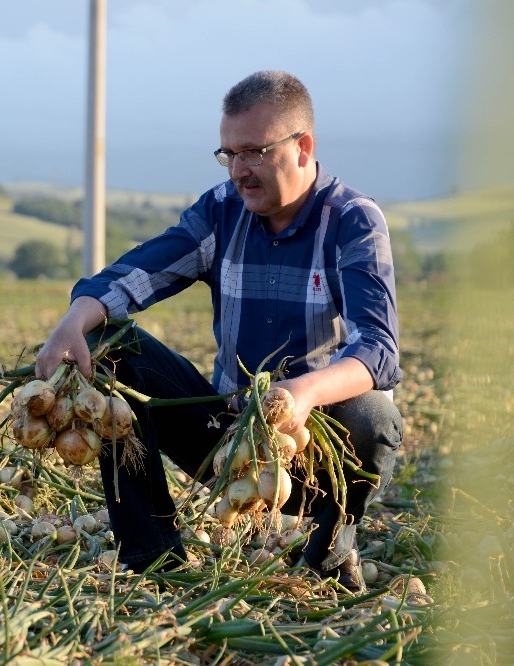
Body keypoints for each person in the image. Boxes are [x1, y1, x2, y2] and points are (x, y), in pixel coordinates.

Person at [35, 71, 402, 592]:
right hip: (225, 438)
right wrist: (75, 319)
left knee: (375, 416)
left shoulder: (351, 220)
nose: (239, 171)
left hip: (311, 449)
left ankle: (329, 553)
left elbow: (379, 350)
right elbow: (140, 272)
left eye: (254, 152)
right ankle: (153, 560)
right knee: (110, 347)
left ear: (304, 147)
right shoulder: (221, 213)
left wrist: (302, 393)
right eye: (228, 154)